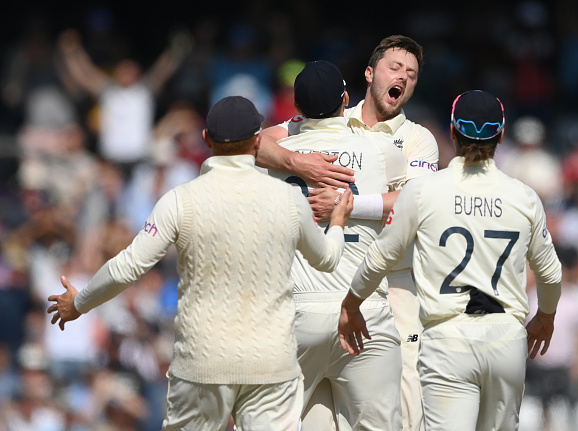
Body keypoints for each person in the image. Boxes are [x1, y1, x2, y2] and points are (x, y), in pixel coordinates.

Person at [46, 95, 354, 431]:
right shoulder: (289, 199)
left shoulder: (181, 200)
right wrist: (337, 222)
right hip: (271, 362)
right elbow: (327, 258)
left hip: (202, 361)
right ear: (258, 141)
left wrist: (78, 303)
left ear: (206, 139)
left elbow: (128, 266)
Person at [338, 90, 563, 431]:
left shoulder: (424, 190)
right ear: (501, 136)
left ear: (453, 132)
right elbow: (550, 274)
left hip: (447, 340)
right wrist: (545, 317)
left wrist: (351, 303)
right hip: (506, 340)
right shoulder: (524, 197)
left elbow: (381, 257)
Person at [258, 35, 438, 431]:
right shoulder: (330, 121)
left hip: (394, 288)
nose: (404, 78)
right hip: (326, 286)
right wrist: (301, 164)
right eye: (396, 68)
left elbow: (419, 200)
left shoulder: (417, 138)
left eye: (412, 74)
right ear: (370, 74)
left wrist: (351, 203)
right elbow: (257, 143)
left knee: (406, 417)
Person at [57, 28, 190, 177]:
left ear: (137, 71)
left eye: (129, 69)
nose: (125, 73)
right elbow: (84, 74)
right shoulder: (109, 92)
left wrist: (177, 49)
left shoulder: (143, 92)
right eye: (122, 69)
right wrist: (72, 52)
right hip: (112, 159)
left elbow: (163, 69)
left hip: (141, 158)